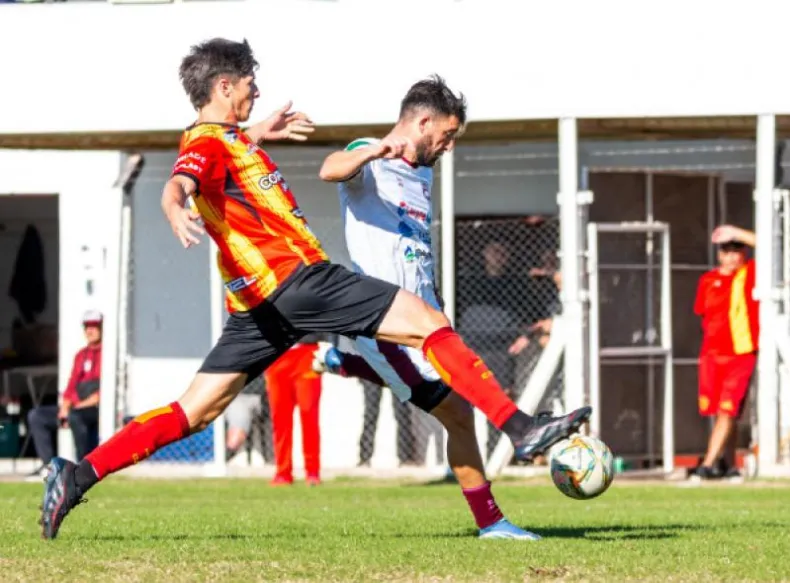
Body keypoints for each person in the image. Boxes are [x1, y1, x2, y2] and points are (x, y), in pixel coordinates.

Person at [39, 38, 591, 540]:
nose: (257, 91)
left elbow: (220, 152)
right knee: (428, 323)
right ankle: (520, 428)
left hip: (257, 307)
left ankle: (77, 475)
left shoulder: (227, 140)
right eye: (250, 83)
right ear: (224, 86)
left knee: (194, 411)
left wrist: (261, 131)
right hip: (296, 279)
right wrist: (172, 203)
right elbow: (183, 177)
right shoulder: (206, 142)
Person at [312, 75, 579, 539]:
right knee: (456, 405)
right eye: (447, 134)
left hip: (422, 316)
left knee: (457, 410)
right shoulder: (370, 154)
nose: (449, 145)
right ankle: (518, 437)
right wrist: (372, 152)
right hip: (385, 322)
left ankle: (345, 364)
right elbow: (330, 169)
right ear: (422, 122)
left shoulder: (422, 171)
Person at [690, 224, 758, 481]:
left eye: (736, 251)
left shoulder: (749, 274)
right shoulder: (708, 280)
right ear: (719, 254)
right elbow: (702, 314)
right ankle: (729, 465)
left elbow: (769, 245)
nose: (731, 257)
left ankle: (706, 465)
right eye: (726, 251)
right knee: (721, 412)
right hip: (711, 355)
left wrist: (736, 233)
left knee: (728, 410)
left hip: (740, 354)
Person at [26, 310, 103, 479]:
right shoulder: (81, 355)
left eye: (94, 327)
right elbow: (71, 385)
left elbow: (102, 392)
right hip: (76, 406)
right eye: (87, 327)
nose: (90, 331)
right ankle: (50, 468)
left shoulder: (107, 355)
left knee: (76, 417)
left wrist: (77, 408)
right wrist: (65, 407)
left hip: (94, 408)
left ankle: (83, 468)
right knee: (36, 416)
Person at [266, 333, 323, 486]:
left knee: (308, 412)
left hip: (307, 352)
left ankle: (312, 471)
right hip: (276, 353)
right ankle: (283, 472)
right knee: (280, 417)